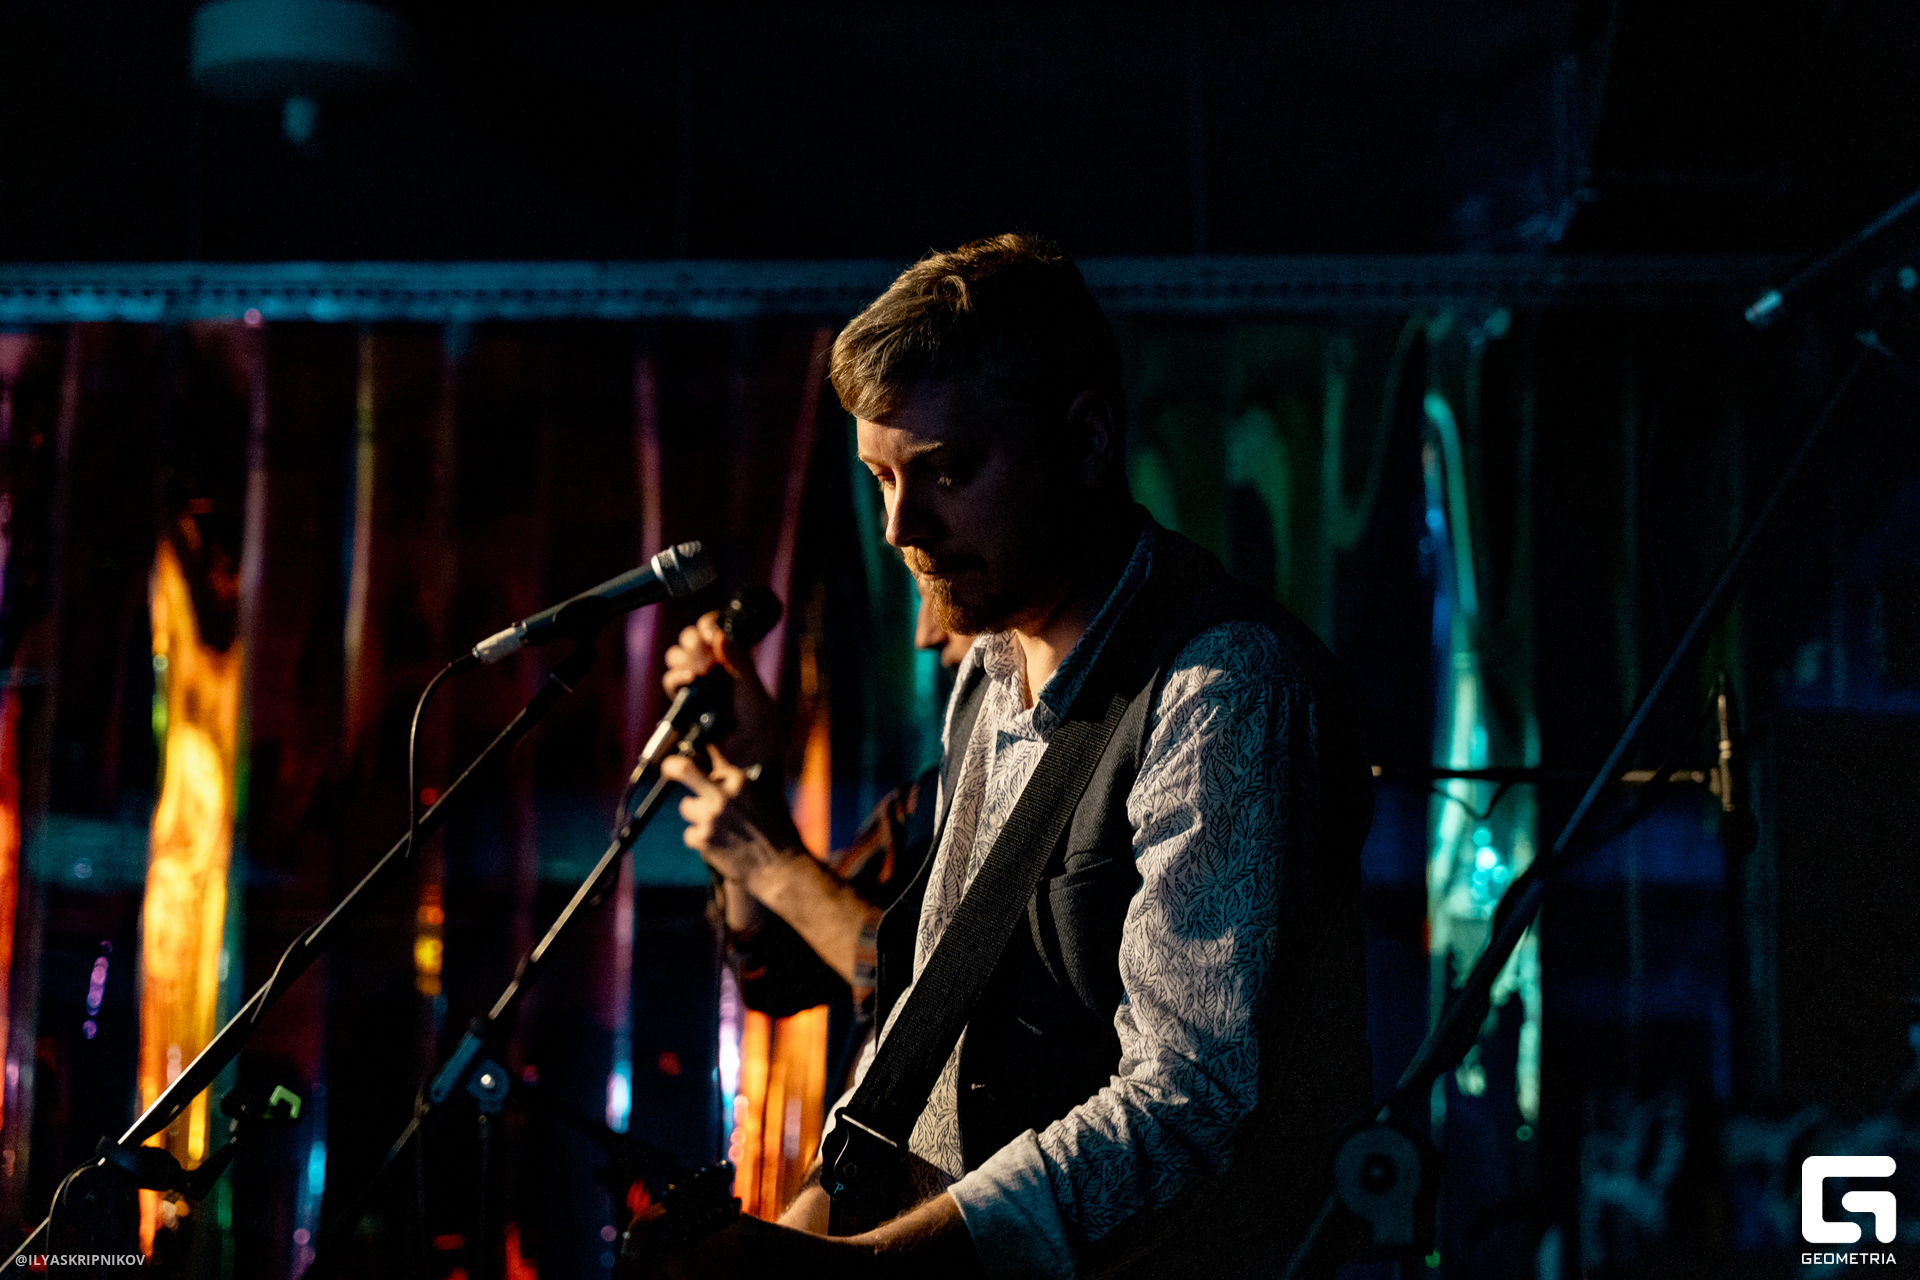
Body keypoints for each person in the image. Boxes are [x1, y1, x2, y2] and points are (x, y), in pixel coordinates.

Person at [644, 233, 1374, 1280]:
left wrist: (868, 1264)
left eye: (947, 471)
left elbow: (1186, 1101)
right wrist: (806, 1224)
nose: (902, 526)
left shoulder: (1224, 688)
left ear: (1086, 439)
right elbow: (927, 1015)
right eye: (881, 478)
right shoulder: (988, 676)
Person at [660, 594, 971, 1042]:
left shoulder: (1053, 789)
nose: (925, 636)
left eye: (938, 591)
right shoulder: (929, 802)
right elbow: (777, 969)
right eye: (919, 595)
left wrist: (776, 868)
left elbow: (952, 1014)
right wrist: (749, 766)